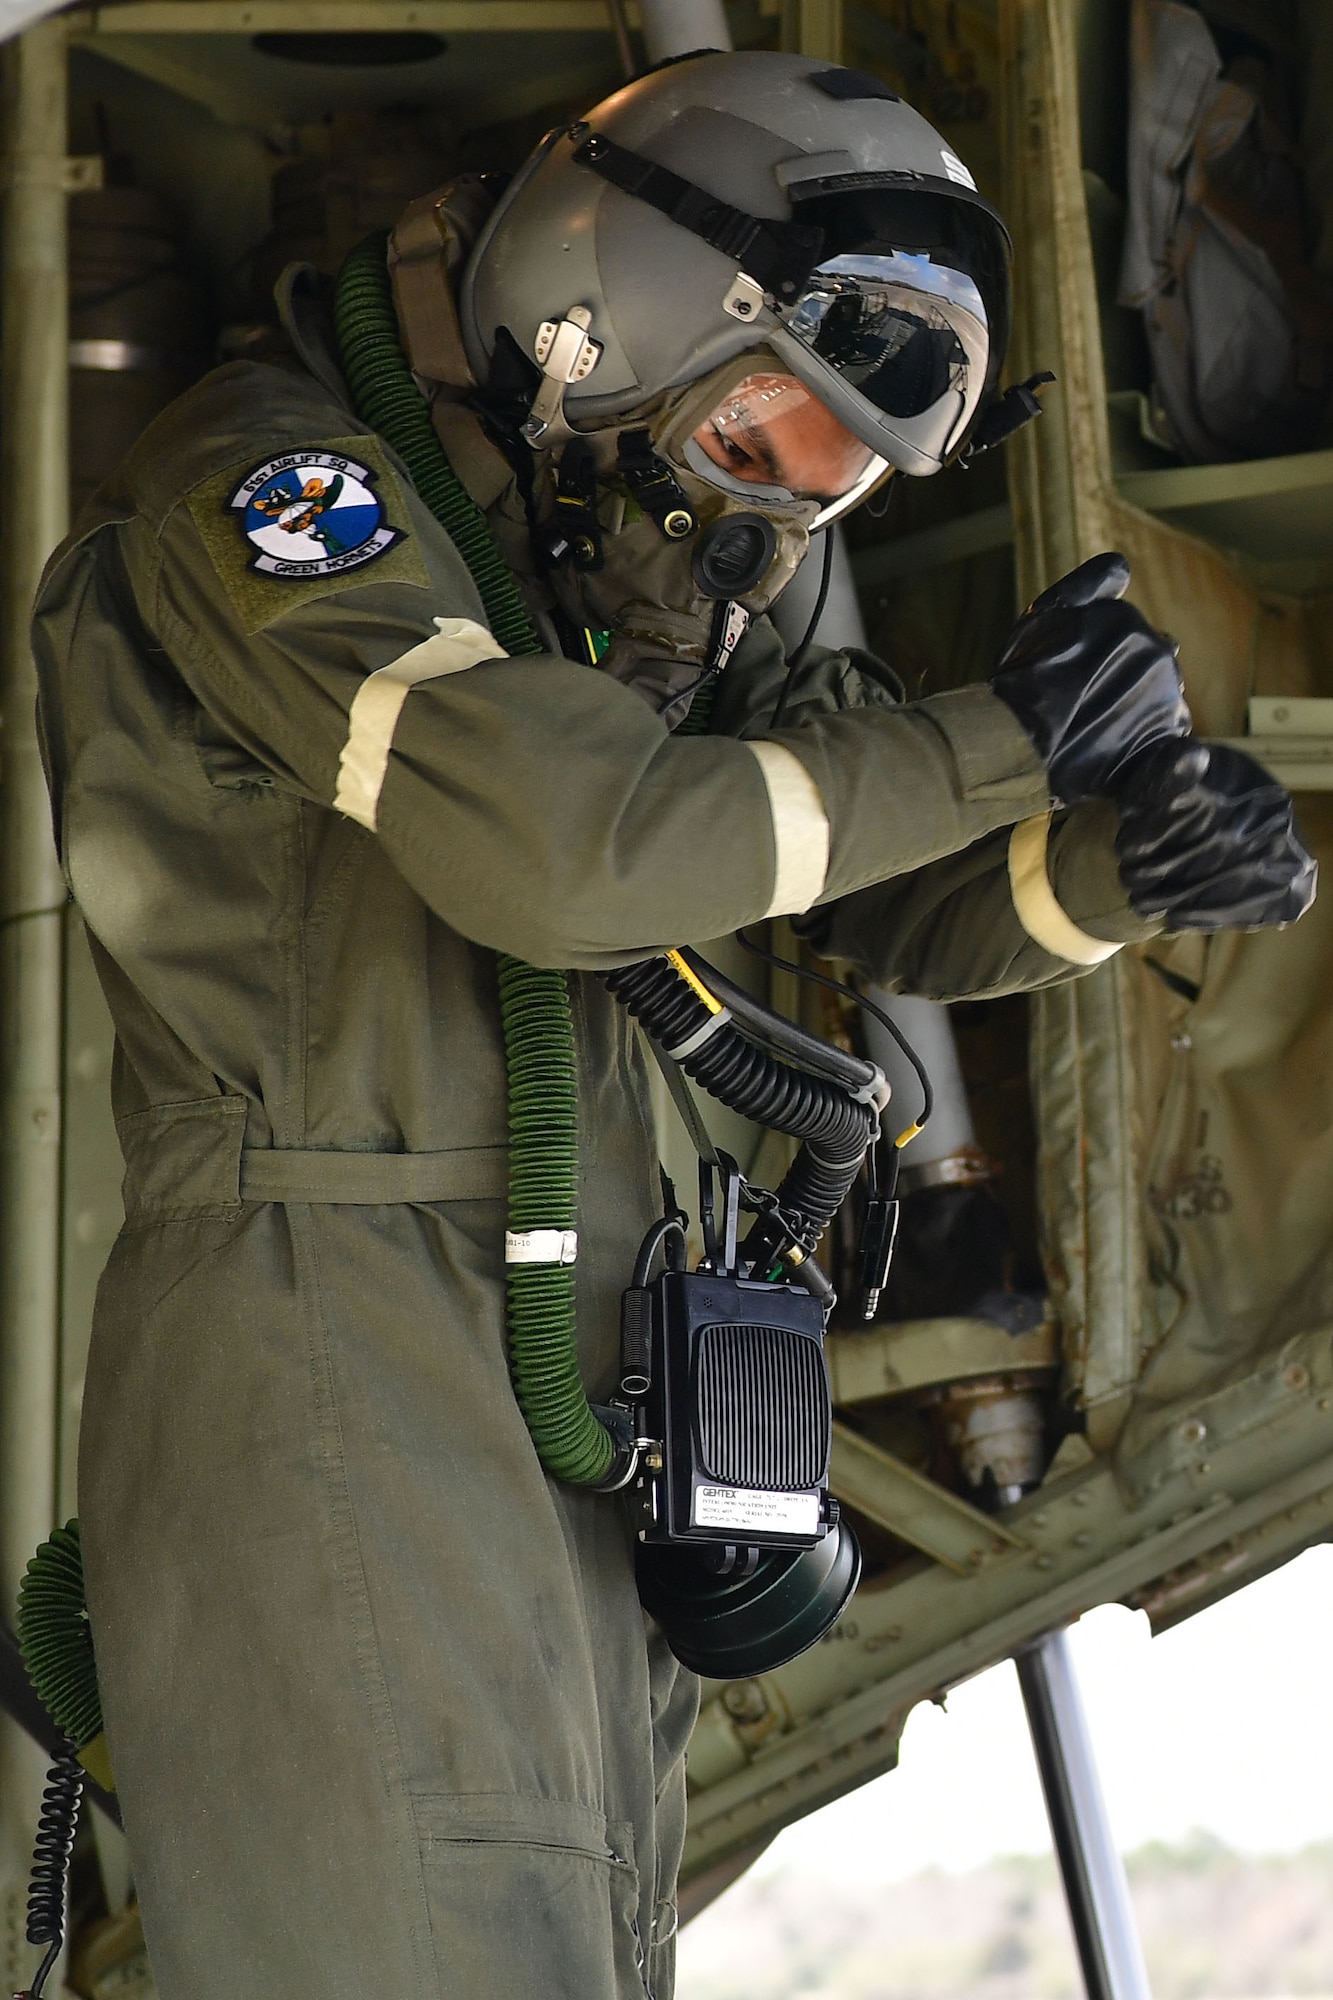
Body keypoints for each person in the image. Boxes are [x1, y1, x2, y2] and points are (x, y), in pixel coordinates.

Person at [30, 48, 1313, 2000]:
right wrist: (1006, 736)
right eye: (778, 442)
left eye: (847, 482)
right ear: (595, 319)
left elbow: (867, 880)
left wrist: (1120, 869)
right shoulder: (282, 488)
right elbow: (565, 848)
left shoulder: (669, 556)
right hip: (340, 1330)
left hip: (570, 1362)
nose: (794, 512)